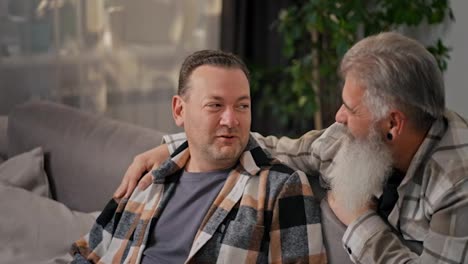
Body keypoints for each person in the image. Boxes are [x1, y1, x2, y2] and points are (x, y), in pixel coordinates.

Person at [114, 32, 468, 263]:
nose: (338, 116)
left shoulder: (457, 183)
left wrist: (359, 219)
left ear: (392, 123)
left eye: (351, 109)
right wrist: (179, 145)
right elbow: (279, 148)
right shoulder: (348, 140)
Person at [71, 50, 327, 263]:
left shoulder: (281, 187)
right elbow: (89, 253)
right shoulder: (149, 176)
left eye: (242, 106)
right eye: (215, 105)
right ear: (179, 110)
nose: (231, 120)